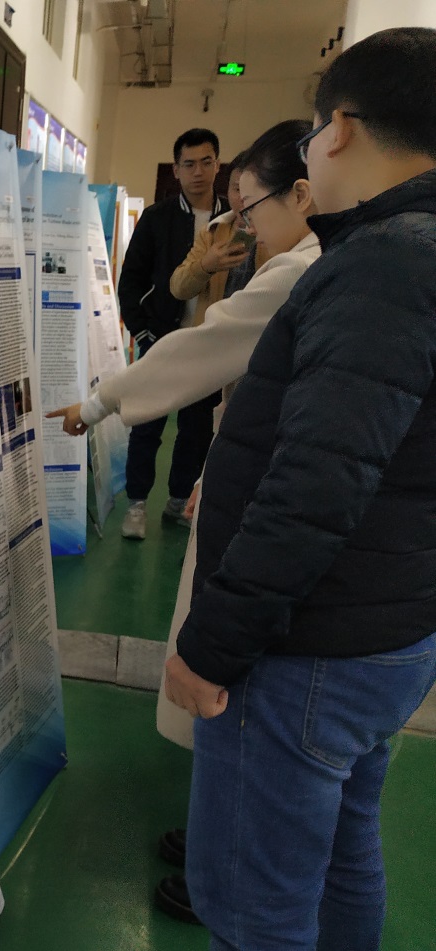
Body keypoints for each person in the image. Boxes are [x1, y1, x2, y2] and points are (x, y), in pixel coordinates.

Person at [164, 28, 436, 951]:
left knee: (256, 904)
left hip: (307, 645)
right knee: (342, 852)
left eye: (315, 132)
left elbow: (319, 483)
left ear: (343, 128)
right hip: (383, 626)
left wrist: (212, 644)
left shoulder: (385, 265)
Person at [47, 118, 321, 926]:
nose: (243, 225)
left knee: (244, 689)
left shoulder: (302, 272)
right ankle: (217, 842)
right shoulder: (286, 256)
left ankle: (227, 873)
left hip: (280, 522)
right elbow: (160, 309)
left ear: (304, 192)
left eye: (251, 205)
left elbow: (204, 350)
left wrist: (101, 399)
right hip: (256, 492)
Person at [115, 128, 227, 540]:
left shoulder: (234, 219)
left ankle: (179, 501)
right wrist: (142, 331)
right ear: (176, 170)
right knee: (147, 423)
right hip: (161, 338)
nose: (198, 172)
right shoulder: (157, 218)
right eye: (188, 164)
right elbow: (130, 281)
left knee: (196, 430)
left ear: (217, 164)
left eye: (206, 162)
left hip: (210, 344)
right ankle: (137, 504)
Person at [169, 158, 265, 329]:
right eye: (237, 189)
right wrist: (205, 266)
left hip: (257, 336)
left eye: (251, 190)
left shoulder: (277, 233)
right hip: (212, 335)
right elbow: (178, 288)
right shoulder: (212, 232)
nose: (243, 198)